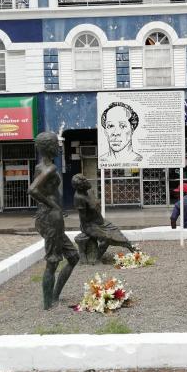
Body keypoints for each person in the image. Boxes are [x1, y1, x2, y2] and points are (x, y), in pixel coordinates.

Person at [28, 132, 79, 310]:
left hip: (49, 217)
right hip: (50, 217)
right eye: (56, 144)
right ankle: (48, 304)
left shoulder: (40, 166)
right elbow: (33, 190)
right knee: (52, 261)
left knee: (73, 257)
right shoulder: (49, 168)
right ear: (49, 147)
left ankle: (55, 296)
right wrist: (53, 205)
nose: (58, 147)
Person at [72, 173, 137, 264]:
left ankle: (137, 254)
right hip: (90, 225)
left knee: (119, 235)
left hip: (101, 221)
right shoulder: (79, 198)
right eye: (85, 181)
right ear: (81, 187)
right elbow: (83, 218)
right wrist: (89, 230)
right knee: (107, 238)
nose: (88, 182)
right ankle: (96, 259)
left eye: (86, 179)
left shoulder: (90, 191)